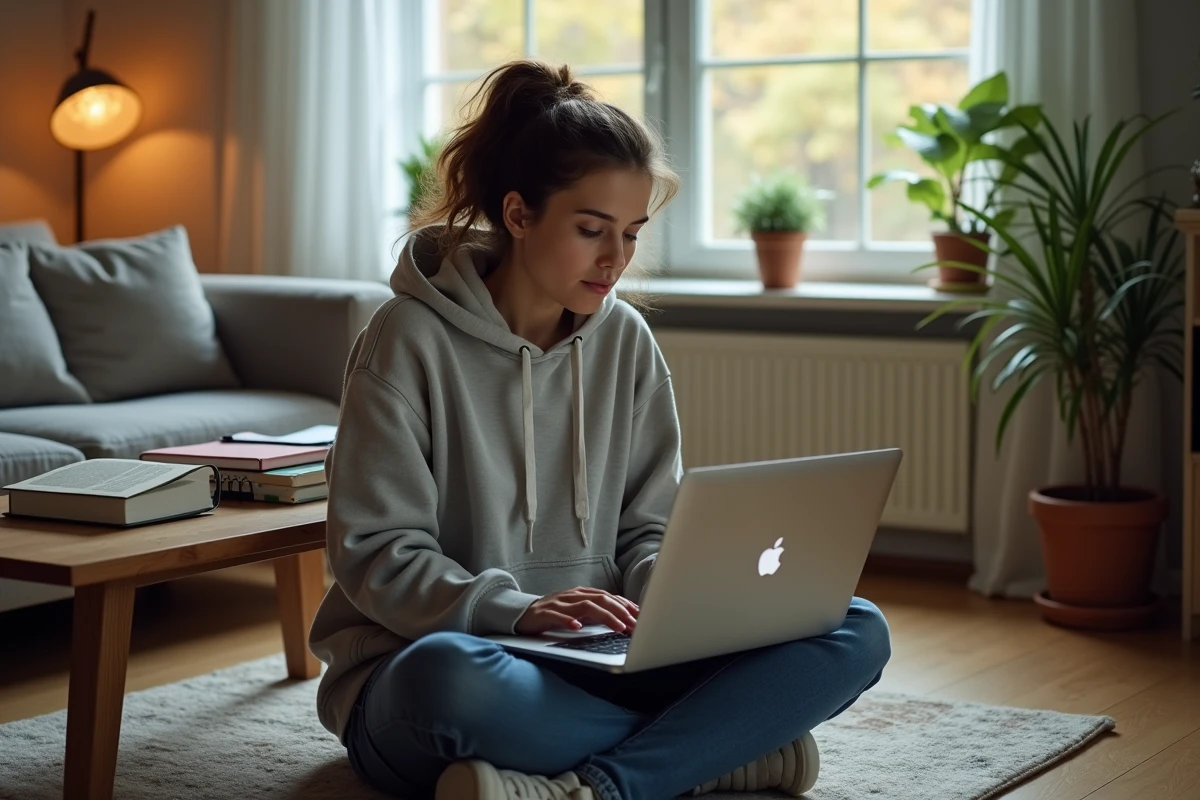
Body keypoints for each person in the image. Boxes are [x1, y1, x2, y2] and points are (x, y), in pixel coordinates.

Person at [307, 59, 892, 800]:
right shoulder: (406, 339)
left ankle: (606, 785)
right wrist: (518, 612)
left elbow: (649, 530)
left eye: (631, 233)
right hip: (445, 664)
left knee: (854, 626)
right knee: (446, 681)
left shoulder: (626, 342)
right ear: (518, 215)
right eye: (591, 230)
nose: (615, 259)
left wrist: (681, 604)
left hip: (609, 664)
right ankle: (721, 756)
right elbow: (380, 556)